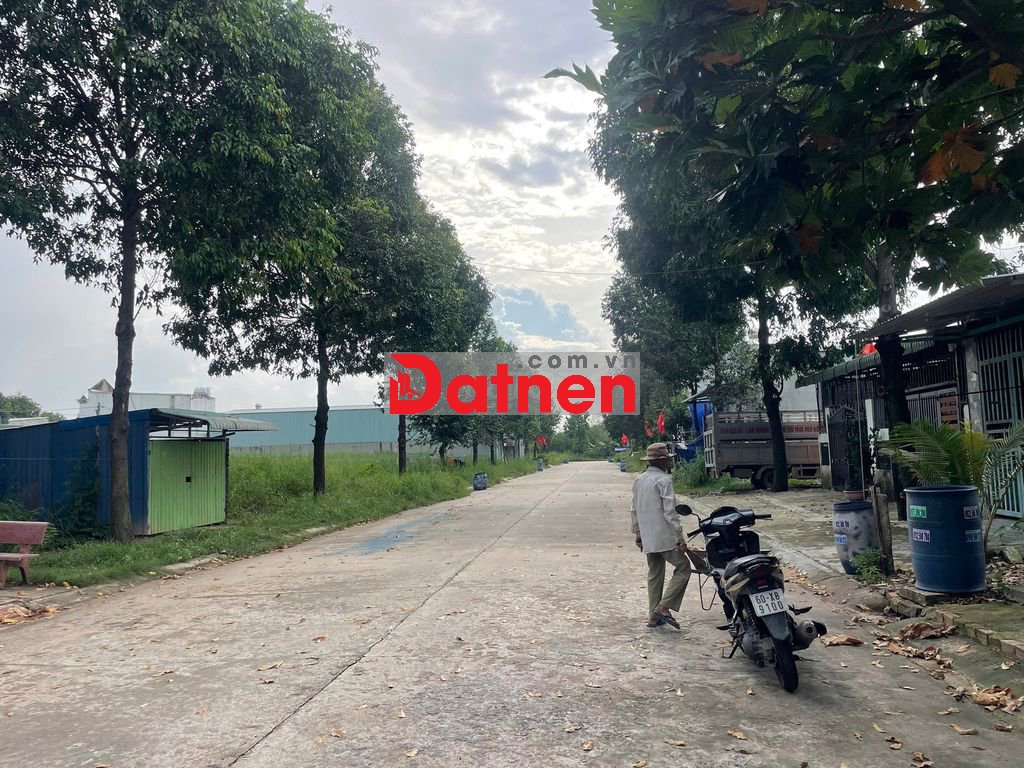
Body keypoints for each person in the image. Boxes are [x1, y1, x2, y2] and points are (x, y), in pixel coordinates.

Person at [630, 442, 691, 629]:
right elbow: (670, 512)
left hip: (648, 536)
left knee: (655, 574)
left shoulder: (639, 480)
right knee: (684, 567)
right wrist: (680, 537)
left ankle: (653, 616)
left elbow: (634, 509)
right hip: (664, 536)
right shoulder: (664, 480)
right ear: (663, 461)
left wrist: (638, 533)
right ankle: (663, 607)